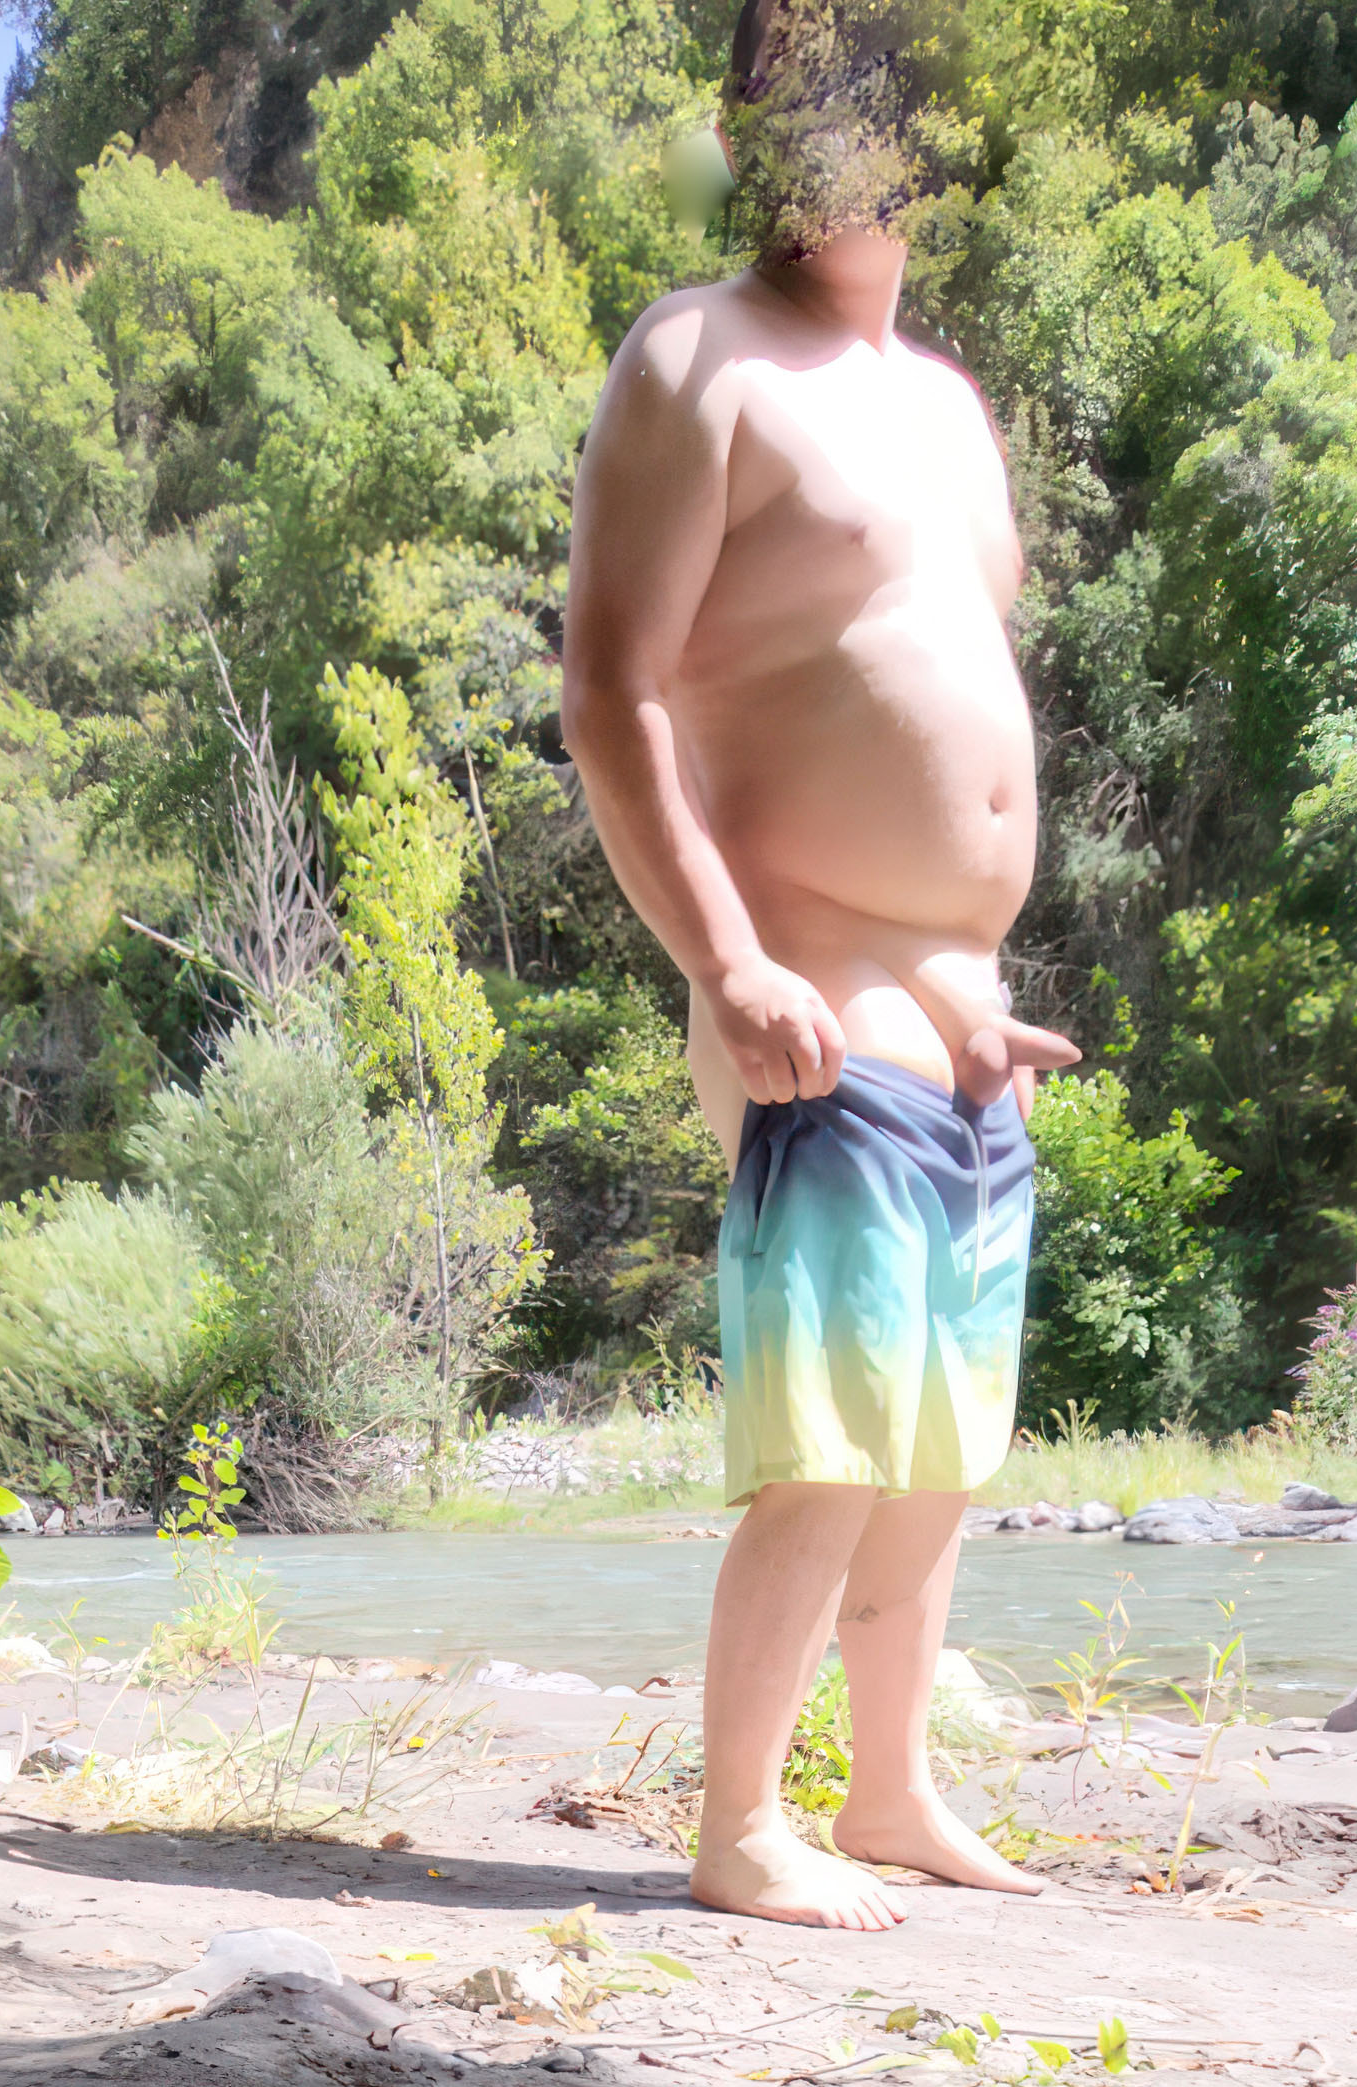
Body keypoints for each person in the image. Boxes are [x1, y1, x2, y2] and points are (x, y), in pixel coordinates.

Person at [561, 0, 1078, 1931]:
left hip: (963, 996)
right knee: (839, 1435)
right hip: (803, 975)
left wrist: (972, 966)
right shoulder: (698, 360)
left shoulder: (945, 404)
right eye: (803, 99)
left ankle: (893, 1790)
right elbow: (611, 696)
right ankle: (739, 1826)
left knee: (941, 1445)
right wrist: (728, 958)